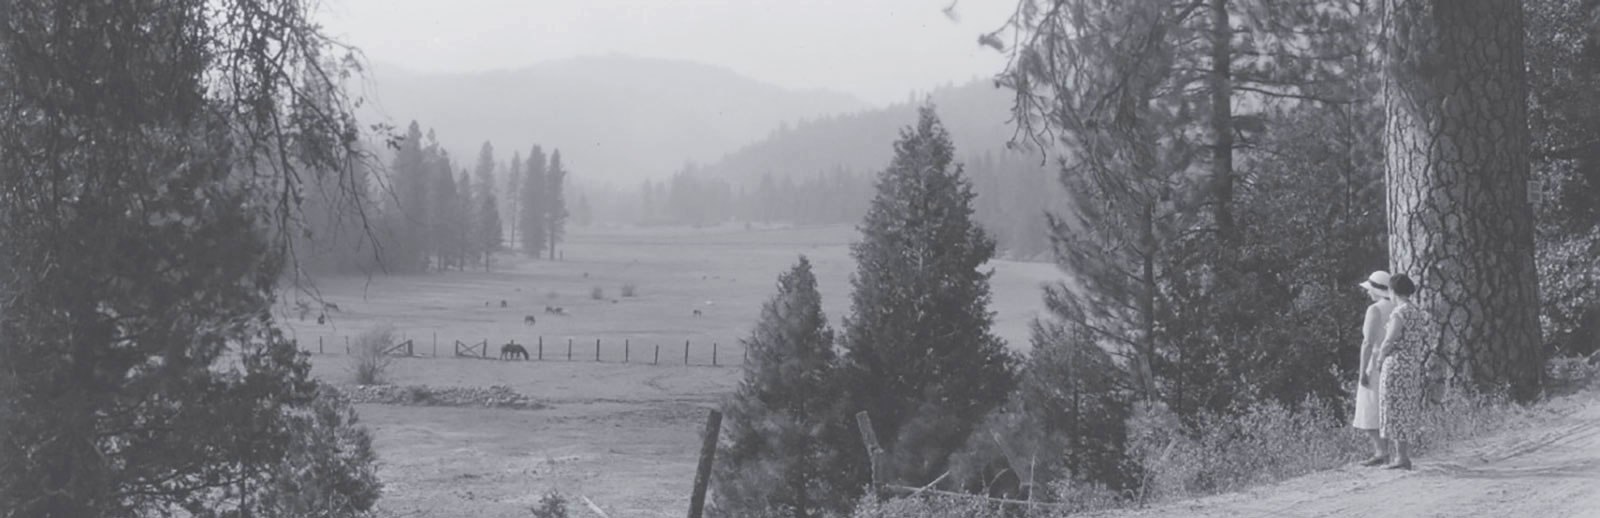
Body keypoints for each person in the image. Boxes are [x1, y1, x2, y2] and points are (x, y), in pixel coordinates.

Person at [1370, 273, 1428, 470]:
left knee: (1394, 408)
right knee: (1406, 407)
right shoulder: (1416, 311)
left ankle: (1400, 457)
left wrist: (1380, 357)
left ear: (1393, 291)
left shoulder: (1399, 313)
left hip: (1396, 364)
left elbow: (1390, 339)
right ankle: (1402, 455)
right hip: (1411, 363)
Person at [1354, 271, 1396, 466]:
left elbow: (1368, 342)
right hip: (1393, 360)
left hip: (1376, 360)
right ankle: (1388, 450)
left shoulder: (1375, 309)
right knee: (1387, 406)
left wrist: (1362, 370)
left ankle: (1381, 450)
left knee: (1369, 406)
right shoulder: (1397, 307)